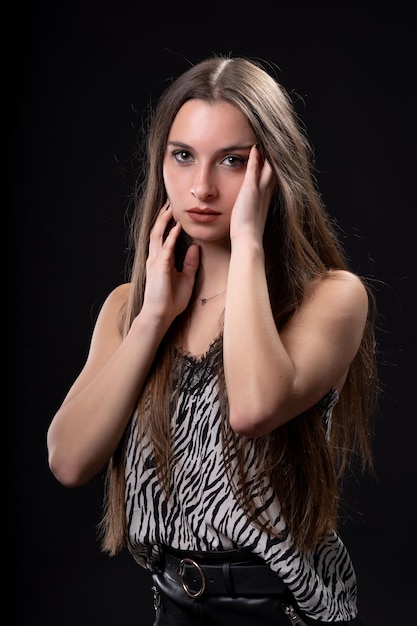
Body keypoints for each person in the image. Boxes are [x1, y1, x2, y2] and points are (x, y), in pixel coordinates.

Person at [47, 54, 379, 625]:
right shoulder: (129, 307)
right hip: (174, 603)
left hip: (285, 608)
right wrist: (153, 317)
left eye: (231, 161)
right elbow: (70, 461)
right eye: (183, 156)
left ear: (271, 169)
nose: (200, 187)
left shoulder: (333, 297)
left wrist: (248, 242)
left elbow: (252, 408)